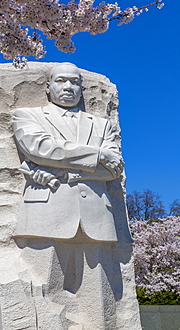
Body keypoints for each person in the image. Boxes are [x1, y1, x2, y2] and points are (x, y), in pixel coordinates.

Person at [13, 63, 124, 242]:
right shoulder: (27, 116)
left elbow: (114, 169)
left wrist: (63, 171)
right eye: (61, 80)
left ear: (81, 89)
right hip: (44, 214)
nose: (68, 87)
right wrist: (99, 155)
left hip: (98, 218)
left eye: (74, 82)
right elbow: (41, 148)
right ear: (48, 87)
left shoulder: (102, 125)